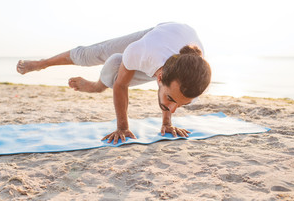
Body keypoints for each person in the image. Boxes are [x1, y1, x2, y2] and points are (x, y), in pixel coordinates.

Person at [16, 22, 212, 144]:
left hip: (179, 45)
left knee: (121, 70)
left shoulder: (197, 78)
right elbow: (121, 85)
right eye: (171, 100)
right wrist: (122, 127)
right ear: (159, 78)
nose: (174, 108)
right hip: (161, 33)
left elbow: (173, 94)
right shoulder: (141, 51)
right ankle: (43, 64)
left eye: (180, 104)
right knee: (100, 56)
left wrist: (167, 123)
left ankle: (99, 84)